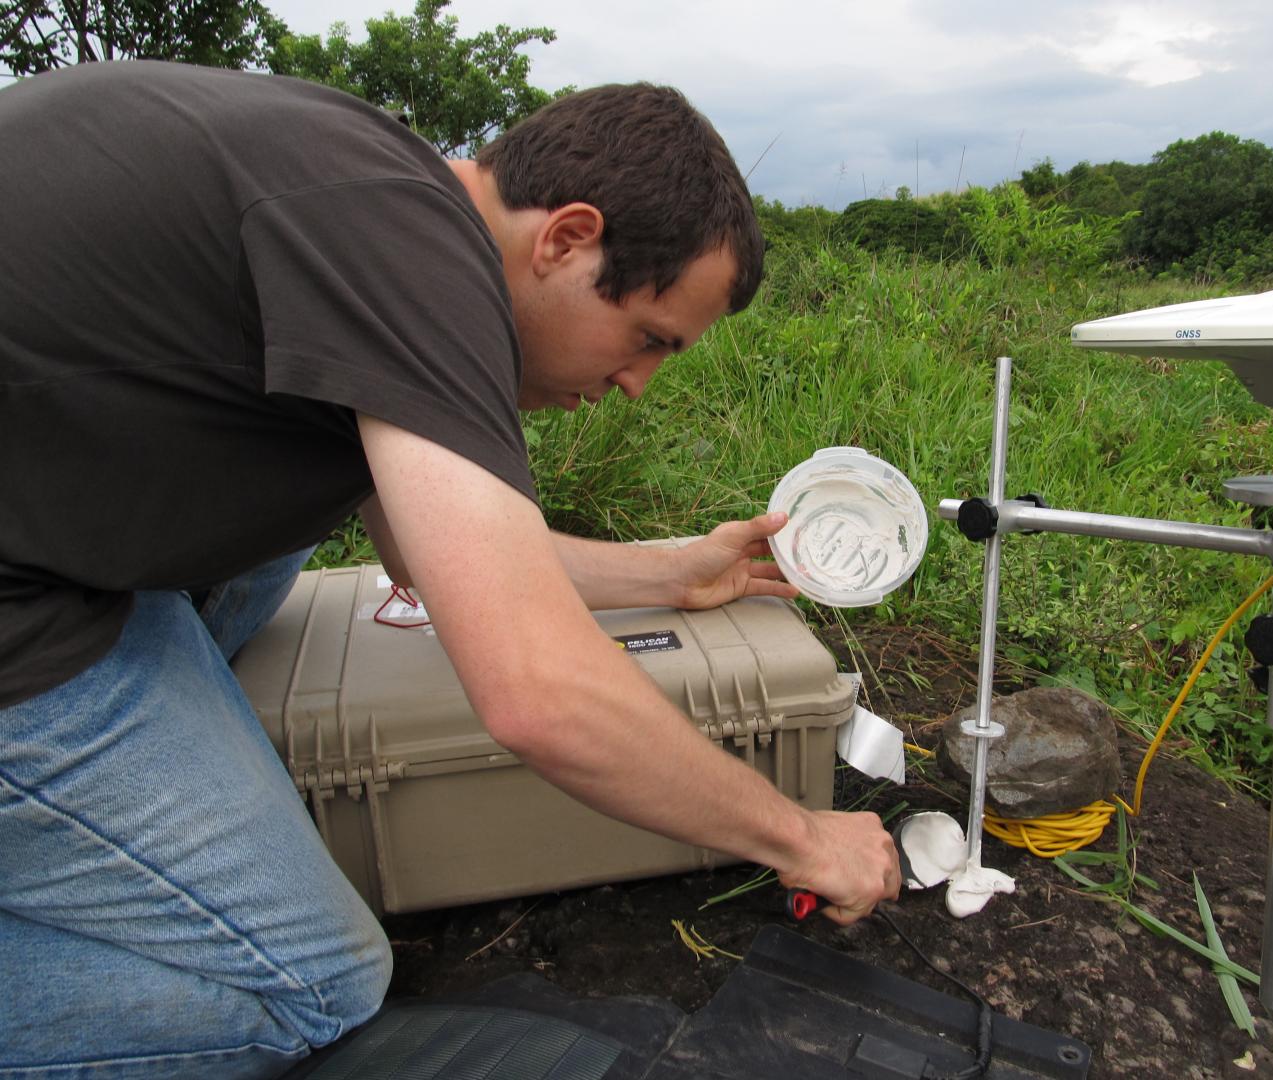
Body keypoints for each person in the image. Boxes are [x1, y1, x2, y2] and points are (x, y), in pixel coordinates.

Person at [0, 60, 901, 1078]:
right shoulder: (412, 252)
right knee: (307, 984)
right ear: (566, 238)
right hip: (24, 601)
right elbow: (535, 693)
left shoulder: (379, 202)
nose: (638, 385)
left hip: (48, 487)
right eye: (648, 339)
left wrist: (671, 574)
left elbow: (427, 549)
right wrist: (801, 836)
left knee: (307, 487)